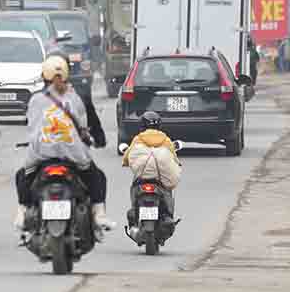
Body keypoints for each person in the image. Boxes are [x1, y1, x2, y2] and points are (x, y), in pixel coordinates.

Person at [17, 54, 109, 232]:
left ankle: (22, 212)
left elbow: (32, 126)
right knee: (98, 177)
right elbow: (88, 123)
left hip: (41, 154)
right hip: (72, 155)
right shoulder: (78, 96)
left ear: (44, 75)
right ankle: (99, 214)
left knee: (22, 176)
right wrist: (97, 140)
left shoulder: (35, 99)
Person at [122, 110, 182, 222]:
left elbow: (127, 156)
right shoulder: (166, 140)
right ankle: (168, 213)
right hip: (160, 179)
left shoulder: (138, 139)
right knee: (168, 189)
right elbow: (174, 158)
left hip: (141, 178)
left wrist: (126, 162)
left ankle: (135, 209)